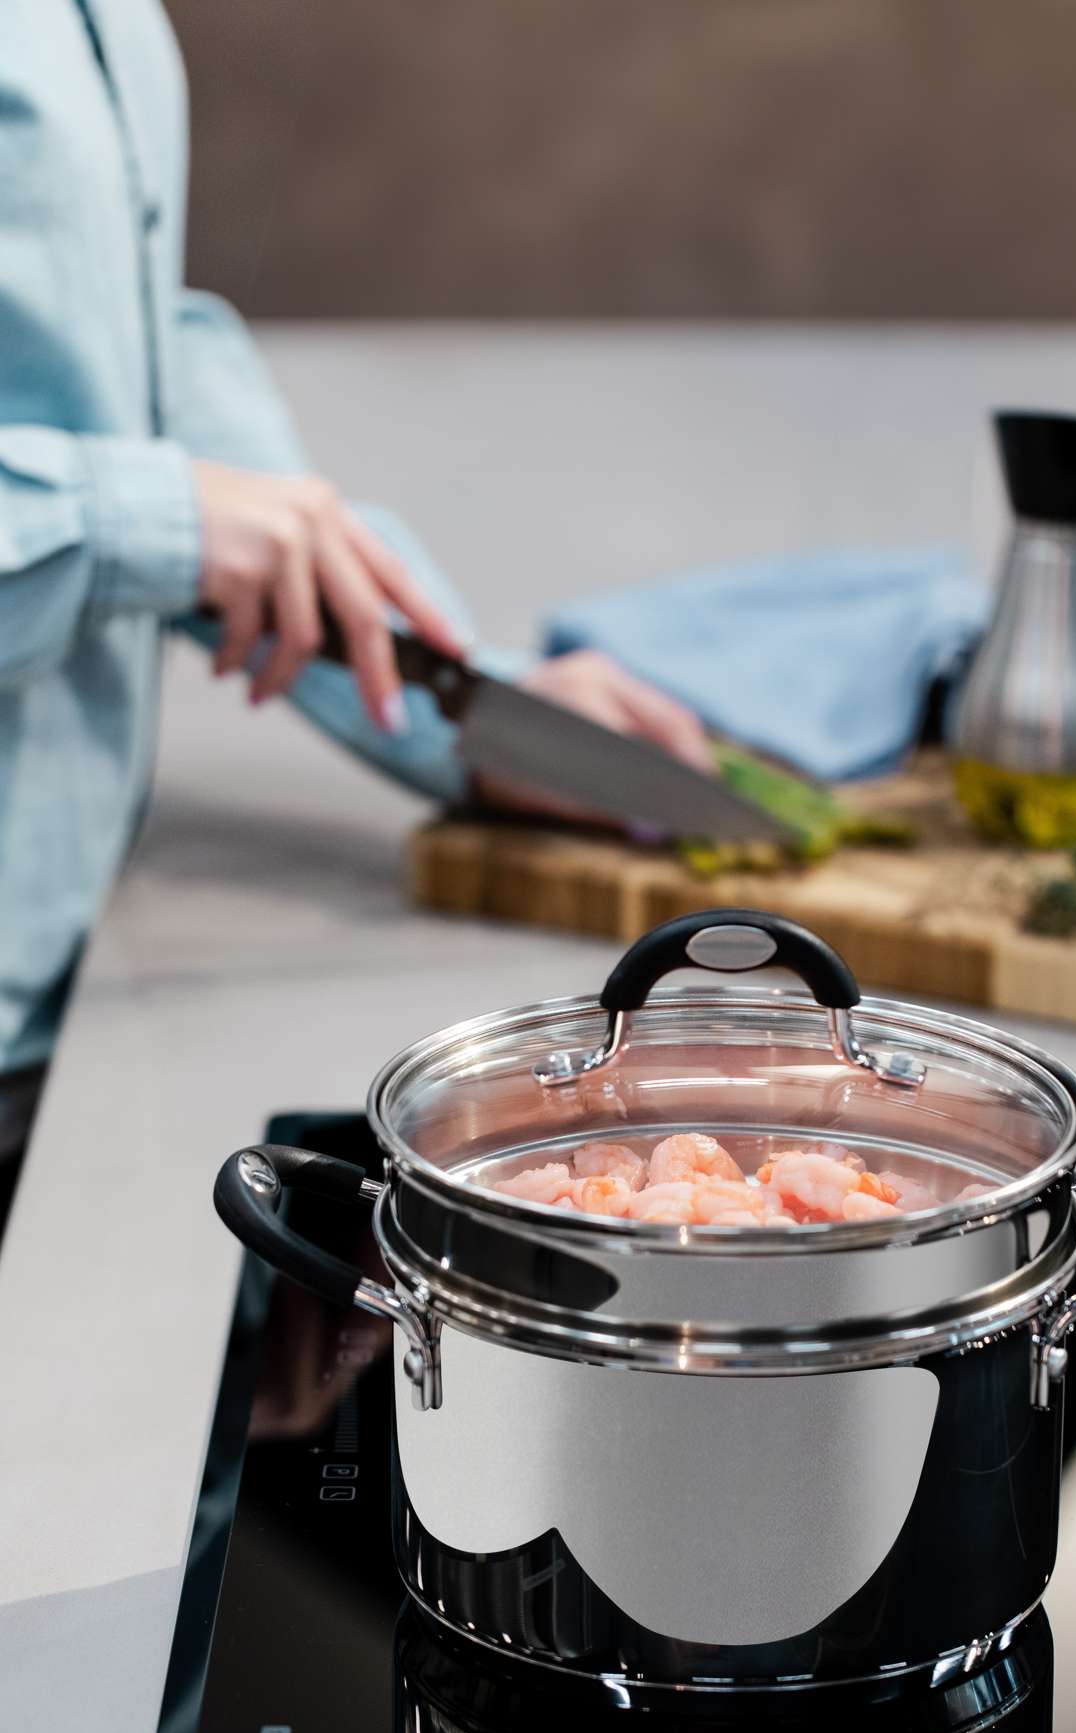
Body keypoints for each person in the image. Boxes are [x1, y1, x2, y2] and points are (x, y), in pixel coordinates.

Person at [0, 0, 708, 1236]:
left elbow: (114, 353)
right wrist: (142, 520)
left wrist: (453, 697)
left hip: (64, 1019)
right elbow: (149, 492)